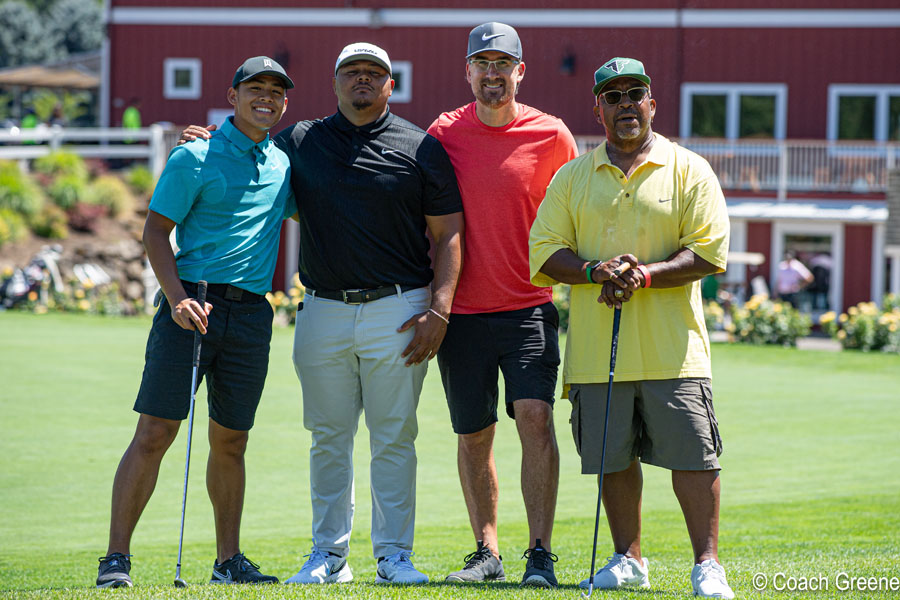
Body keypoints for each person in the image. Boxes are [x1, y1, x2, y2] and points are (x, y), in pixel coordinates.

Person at [184, 43, 465, 585]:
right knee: (329, 437)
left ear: (390, 85)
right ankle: (328, 557)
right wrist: (206, 140)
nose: (363, 80)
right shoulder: (301, 140)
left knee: (393, 437)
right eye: (352, 72)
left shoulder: (421, 146)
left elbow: (448, 231)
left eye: (374, 74)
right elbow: (245, 151)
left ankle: (393, 557)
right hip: (323, 309)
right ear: (335, 82)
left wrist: (441, 307)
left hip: (401, 307)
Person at [529, 57, 735, 599]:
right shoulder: (573, 176)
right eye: (613, 96)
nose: (625, 105)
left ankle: (707, 565)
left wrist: (643, 275)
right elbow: (545, 252)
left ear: (651, 103)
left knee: (695, 457)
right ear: (597, 107)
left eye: (634, 94)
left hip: (676, 352)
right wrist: (596, 270)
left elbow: (709, 253)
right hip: (600, 353)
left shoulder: (689, 168)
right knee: (612, 459)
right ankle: (628, 559)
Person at [95, 56, 296, 588]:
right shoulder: (195, 155)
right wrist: (176, 297)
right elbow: (156, 233)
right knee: (156, 431)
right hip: (191, 307)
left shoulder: (282, 162)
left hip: (253, 314)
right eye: (255, 88)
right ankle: (116, 559)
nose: (266, 98)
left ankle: (228, 561)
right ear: (232, 97)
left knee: (232, 441)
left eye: (276, 91)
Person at [425, 22, 578, 588]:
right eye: (481, 63)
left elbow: (578, 207)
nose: (492, 74)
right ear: (468, 71)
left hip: (529, 306)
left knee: (534, 419)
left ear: (520, 71)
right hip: (461, 312)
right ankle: (486, 551)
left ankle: (539, 553)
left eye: (502, 63)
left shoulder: (553, 135)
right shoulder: (442, 134)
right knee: (474, 432)